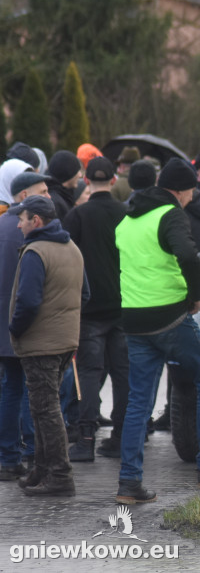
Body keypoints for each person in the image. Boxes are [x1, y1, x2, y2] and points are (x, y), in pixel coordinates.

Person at [114, 158, 200, 504]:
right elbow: (188, 257)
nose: (194, 195)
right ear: (180, 189)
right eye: (192, 189)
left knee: (139, 402)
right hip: (171, 317)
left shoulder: (128, 219)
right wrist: (195, 296)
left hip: (134, 319)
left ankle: (129, 483)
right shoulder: (171, 213)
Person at [9, 195, 89, 496]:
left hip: (40, 342)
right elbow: (85, 294)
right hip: (66, 340)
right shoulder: (72, 249)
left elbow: (27, 302)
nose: (19, 224)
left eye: (23, 218)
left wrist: (15, 329)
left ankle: (59, 474)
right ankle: (41, 470)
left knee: (46, 408)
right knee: (44, 407)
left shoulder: (35, 252)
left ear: (36, 221)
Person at [62, 157, 129, 462]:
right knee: (122, 373)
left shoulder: (77, 216)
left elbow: (65, 259)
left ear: (86, 180)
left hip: (88, 309)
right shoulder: (126, 214)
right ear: (114, 180)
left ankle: (86, 439)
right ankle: (121, 437)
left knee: (89, 373)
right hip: (123, 306)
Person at [0, 172, 49, 482]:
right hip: (27, 325)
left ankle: (7, 456)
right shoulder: (30, 229)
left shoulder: (2, 225)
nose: (48, 195)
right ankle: (33, 454)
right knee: (35, 391)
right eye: (42, 191)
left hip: (4, 327)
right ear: (23, 196)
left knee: (11, 389)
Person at [43, 150, 82, 221]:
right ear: (67, 173)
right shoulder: (56, 203)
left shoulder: (64, 196)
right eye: (77, 171)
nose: (80, 175)